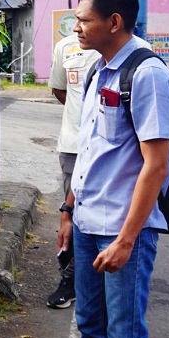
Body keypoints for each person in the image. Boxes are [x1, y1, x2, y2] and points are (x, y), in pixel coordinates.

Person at [56, 0, 169, 338]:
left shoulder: (147, 74)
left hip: (123, 229)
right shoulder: (97, 69)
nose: (76, 27)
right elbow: (89, 150)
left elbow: (156, 164)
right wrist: (68, 210)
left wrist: (127, 239)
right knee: (90, 328)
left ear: (114, 22)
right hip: (87, 222)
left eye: (84, 20)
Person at [46, 33, 101, 309]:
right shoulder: (66, 46)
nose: (79, 25)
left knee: (104, 214)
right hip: (73, 145)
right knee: (73, 214)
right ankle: (70, 279)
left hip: (112, 150)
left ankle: (103, 275)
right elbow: (59, 89)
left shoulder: (133, 50)